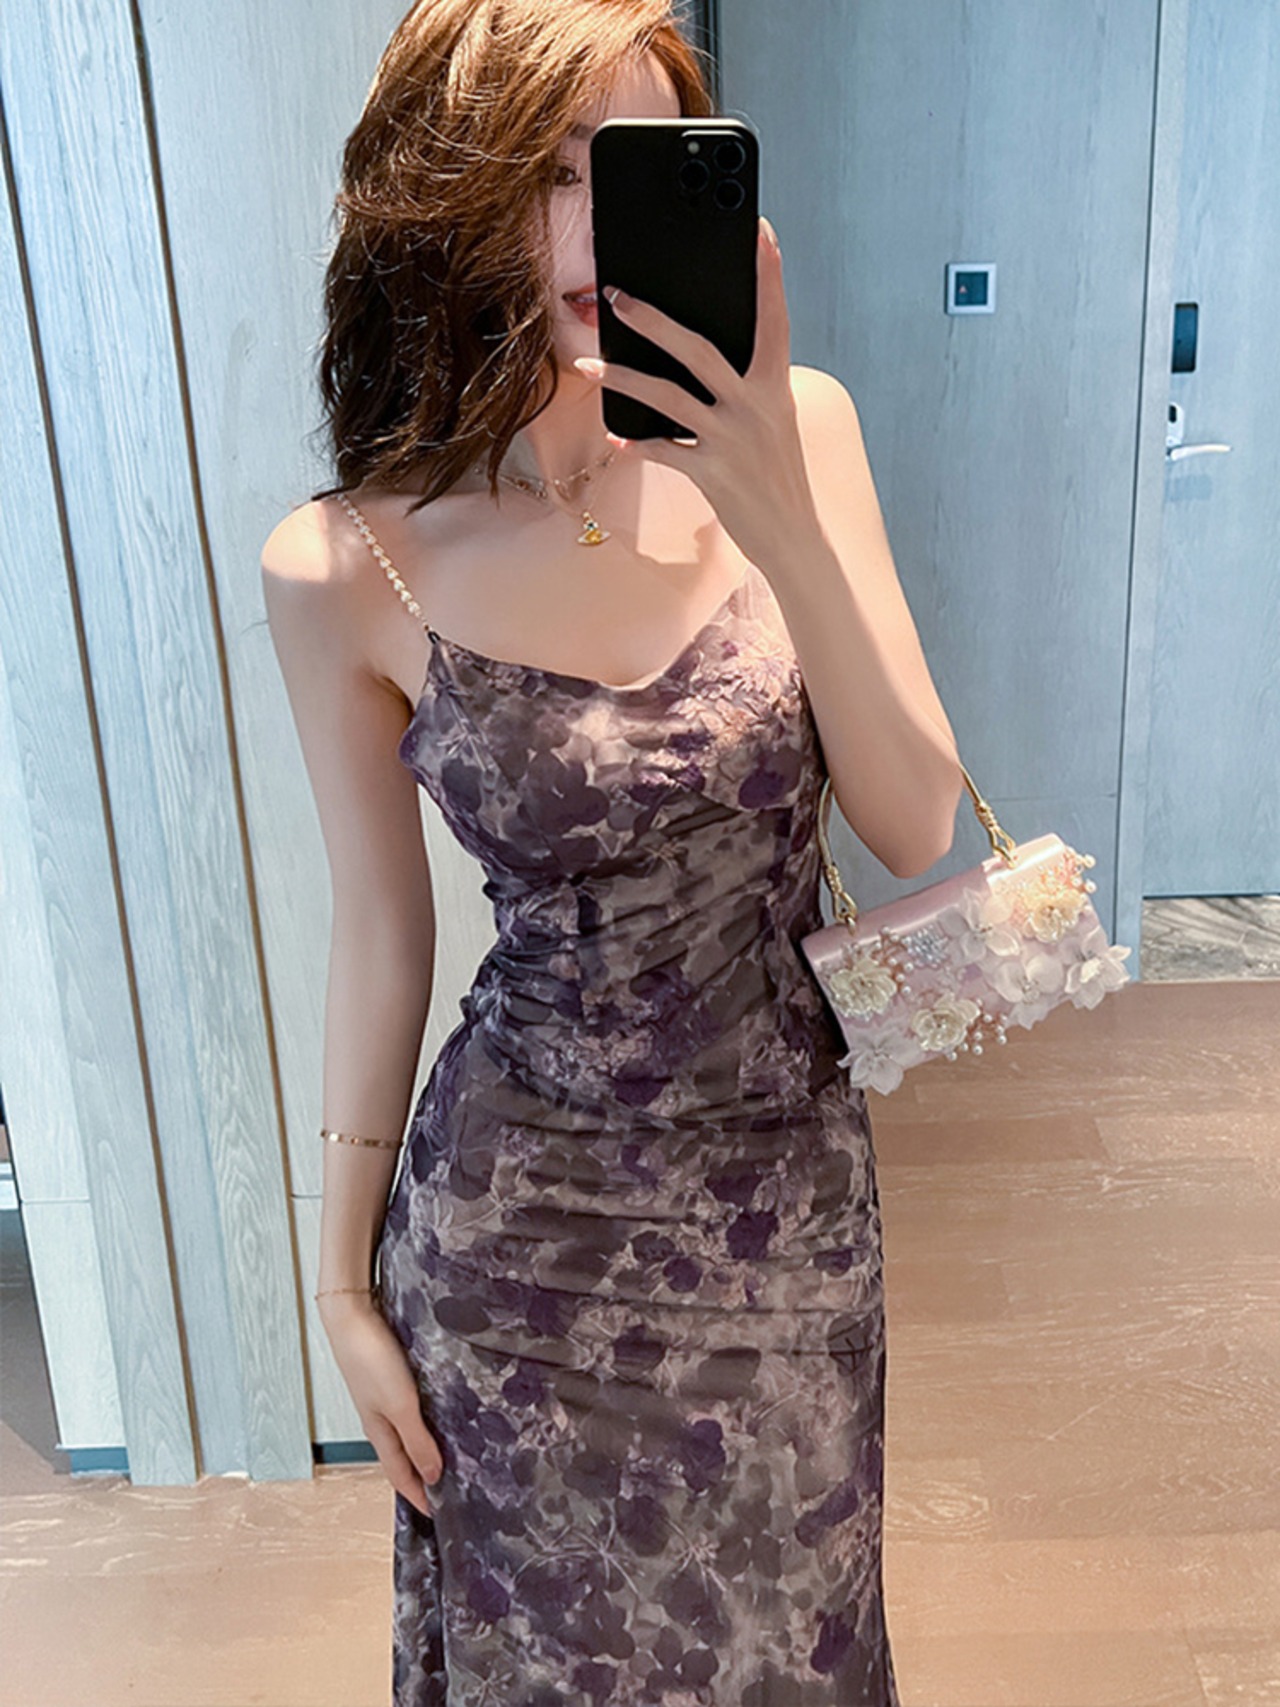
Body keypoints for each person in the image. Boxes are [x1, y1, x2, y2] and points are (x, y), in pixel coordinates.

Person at [262, 2, 962, 1702]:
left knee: (792, 1640)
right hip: (510, 1240)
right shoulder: (346, 562)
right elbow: (379, 933)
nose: (592, 226)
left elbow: (916, 820)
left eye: (633, 169)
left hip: (779, 1215)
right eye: (548, 172)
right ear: (453, 193)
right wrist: (337, 1284)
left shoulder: (808, 429)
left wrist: (772, 498)